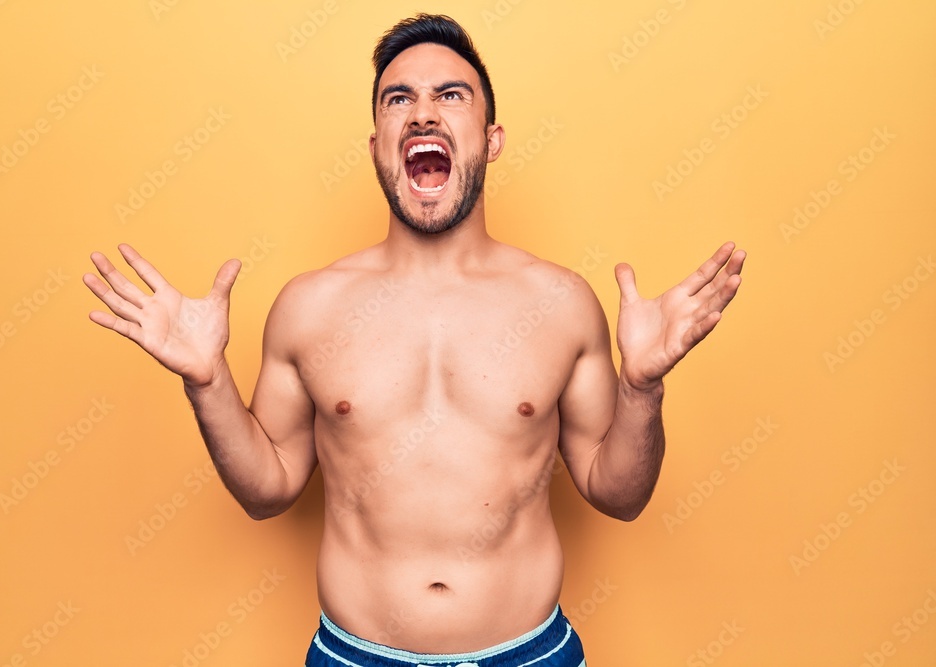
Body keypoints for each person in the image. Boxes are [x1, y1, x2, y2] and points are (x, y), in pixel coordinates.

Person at [83, 13, 745, 667]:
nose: (422, 113)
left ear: (490, 139)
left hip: (528, 654)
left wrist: (642, 385)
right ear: (377, 145)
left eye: (450, 95)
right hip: (354, 656)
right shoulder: (310, 307)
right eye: (399, 99)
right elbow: (269, 488)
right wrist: (207, 381)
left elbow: (619, 494)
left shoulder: (562, 304)